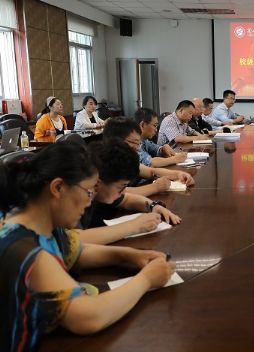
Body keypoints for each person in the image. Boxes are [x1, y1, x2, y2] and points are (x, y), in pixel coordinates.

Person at [0, 142, 175, 351]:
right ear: (57, 188)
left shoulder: (39, 225)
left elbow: (78, 251)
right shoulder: (27, 250)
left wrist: (130, 256)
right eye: (88, 193)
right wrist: (147, 279)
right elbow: (89, 317)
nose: (90, 202)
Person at [78, 139, 182, 245]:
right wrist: (134, 226)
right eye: (121, 187)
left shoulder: (100, 190)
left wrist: (153, 206)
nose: (122, 192)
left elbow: (127, 199)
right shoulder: (76, 195)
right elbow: (74, 241)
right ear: (98, 182)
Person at [104, 117, 195, 197]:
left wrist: (179, 174)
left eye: (139, 143)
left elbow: (152, 172)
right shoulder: (103, 163)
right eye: (134, 142)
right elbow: (119, 193)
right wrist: (156, 187)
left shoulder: (126, 159)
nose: (138, 148)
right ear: (116, 141)